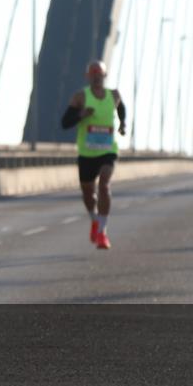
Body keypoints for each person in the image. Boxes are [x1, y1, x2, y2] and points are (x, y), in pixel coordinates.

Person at [60, 60, 126, 250]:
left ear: (105, 76)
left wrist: (123, 124)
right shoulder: (80, 97)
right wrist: (81, 115)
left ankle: (102, 232)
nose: (97, 77)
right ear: (88, 77)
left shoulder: (114, 95)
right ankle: (94, 220)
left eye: (99, 74)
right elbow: (65, 123)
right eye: (93, 74)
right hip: (87, 153)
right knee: (88, 193)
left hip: (108, 150)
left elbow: (121, 109)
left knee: (104, 185)